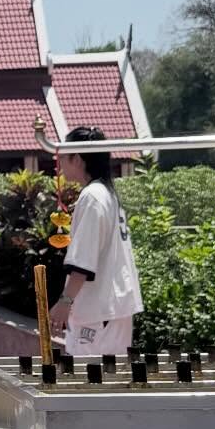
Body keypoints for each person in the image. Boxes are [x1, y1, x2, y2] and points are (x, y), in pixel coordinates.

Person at [50, 123, 143, 358]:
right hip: (114, 307)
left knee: (90, 375)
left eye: (64, 157)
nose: (60, 164)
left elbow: (83, 261)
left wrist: (65, 301)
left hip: (99, 310)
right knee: (111, 374)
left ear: (78, 159)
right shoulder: (107, 194)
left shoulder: (92, 197)